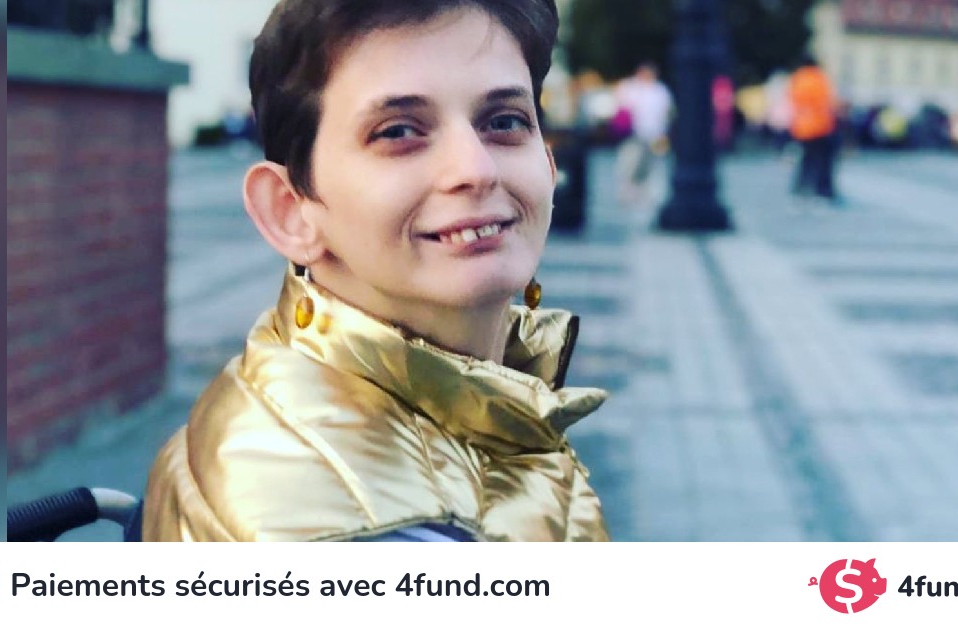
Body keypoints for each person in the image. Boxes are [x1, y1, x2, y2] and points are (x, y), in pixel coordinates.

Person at [141, 0, 609, 542]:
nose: (475, 169)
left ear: (549, 166)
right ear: (289, 211)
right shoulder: (344, 530)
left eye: (505, 122)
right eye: (398, 131)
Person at [613, 62, 673, 207]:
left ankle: (646, 191)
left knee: (652, 163)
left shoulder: (660, 90)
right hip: (633, 134)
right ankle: (628, 190)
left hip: (655, 134)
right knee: (630, 163)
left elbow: (667, 113)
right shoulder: (629, 87)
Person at [788, 56, 840, 204]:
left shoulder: (797, 78)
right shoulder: (819, 78)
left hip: (801, 127)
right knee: (823, 161)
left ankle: (801, 188)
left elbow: (793, 101)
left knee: (806, 159)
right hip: (820, 127)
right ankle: (823, 191)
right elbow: (828, 102)